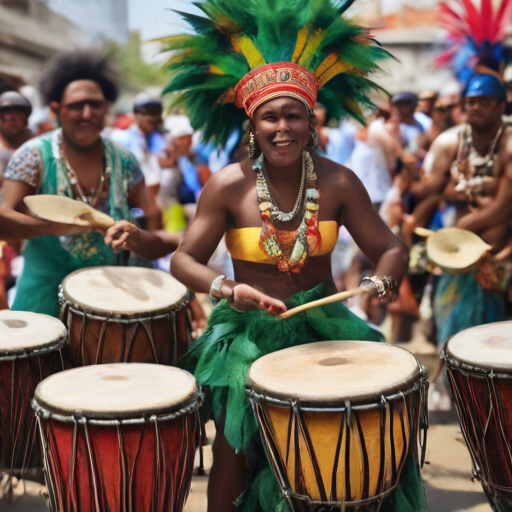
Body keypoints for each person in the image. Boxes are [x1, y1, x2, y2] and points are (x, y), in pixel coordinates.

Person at [161, 1, 425, 511]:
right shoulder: (227, 186)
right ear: (252, 125)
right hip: (244, 335)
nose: (282, 127)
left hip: (323, 325)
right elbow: (183, 260)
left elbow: (389, 247)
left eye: (293, 115)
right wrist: (226, 288)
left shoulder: (339, 181)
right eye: (270, 117)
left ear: (311, 121)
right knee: (235, 453)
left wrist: (380, 283)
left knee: (354, 443)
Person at [3, 50, 175, 317]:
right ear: (55, 109)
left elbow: (151, 225)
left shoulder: (125, 160)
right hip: (46, 296)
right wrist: (66, 225)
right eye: (76, 105)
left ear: (106, 108)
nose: (87, 113)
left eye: (95, 104)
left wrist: (136, 236)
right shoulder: (33, 155)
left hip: (115, 298)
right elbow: (4, 222)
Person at [406, 74, 512, 342]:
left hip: (498, 256)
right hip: (453, 257)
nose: (475, 107)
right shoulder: (448, 143)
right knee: (451, 336)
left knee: (497, 343)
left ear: (502, 105)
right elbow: (429, 193)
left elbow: (503, 207)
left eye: (484, 101)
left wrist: (464, 228)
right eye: (471, 101)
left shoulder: (509, 144)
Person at [110, 93, 166, 201]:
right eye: (150, 121)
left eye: (157, 122)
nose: (154, 125)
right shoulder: (120, 137)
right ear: (137, 116)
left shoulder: (158, 138)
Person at [0, 91, 33, 186]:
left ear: (26, 118)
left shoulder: (39, 146)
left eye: (18, 112)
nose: (12, 117)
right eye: (7, 112)